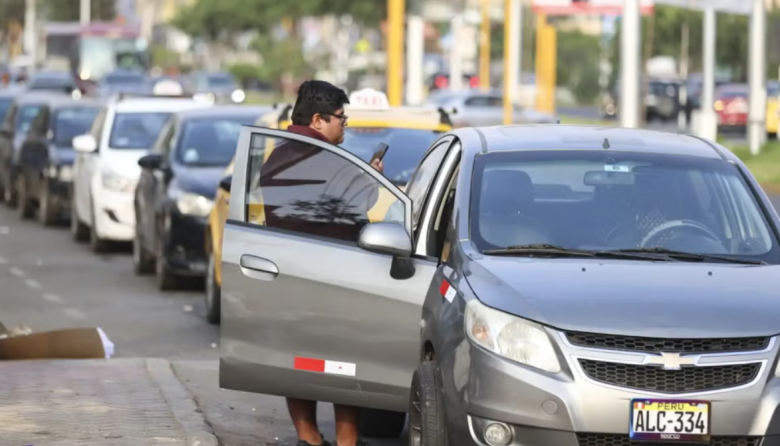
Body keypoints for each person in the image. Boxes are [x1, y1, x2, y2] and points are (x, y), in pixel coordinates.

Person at [259, 80, 383, 446]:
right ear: (317, 120)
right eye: (341, 119)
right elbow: (353, 212)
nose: (344, 125)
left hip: (290, 275)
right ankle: (347, 440)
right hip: (333, 277)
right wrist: (370, 178)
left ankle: (308, 438)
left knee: (300, 360)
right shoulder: (327, 160)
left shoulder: (279, 156)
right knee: (343, 362)